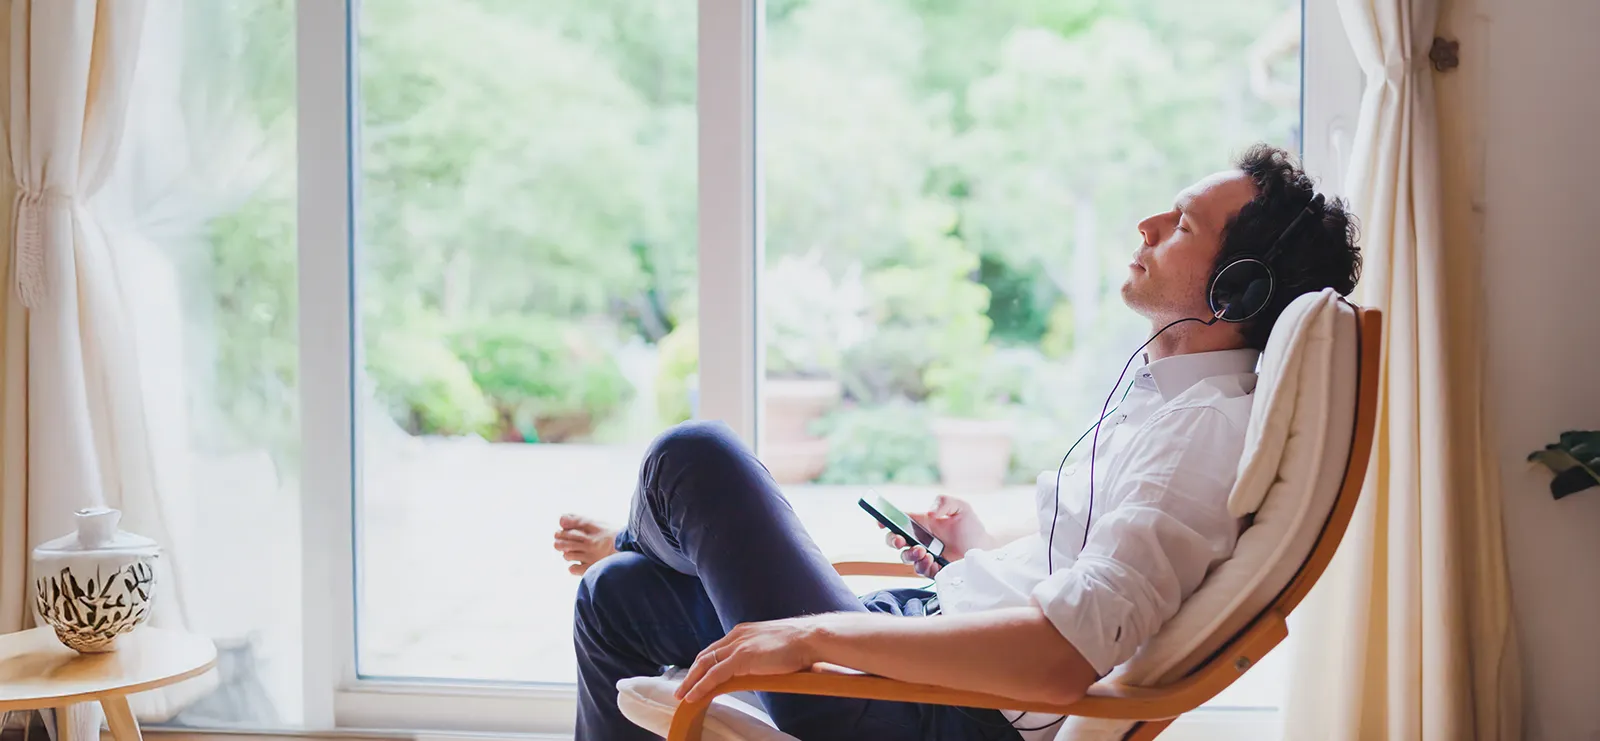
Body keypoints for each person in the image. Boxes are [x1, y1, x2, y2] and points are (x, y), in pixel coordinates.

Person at [553, 144, 1361, 741]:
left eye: (1182, 222)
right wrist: (974, 555)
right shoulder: (1167, 404)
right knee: (616, 596)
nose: (1148, 224)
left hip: (930, 705)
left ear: (1239, 287)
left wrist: (816, 633)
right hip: (921, 647)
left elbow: (1061, 659)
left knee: (693, 457)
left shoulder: (1199, 433)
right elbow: (1090, 582)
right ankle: (642, 551)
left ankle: (645, 537)